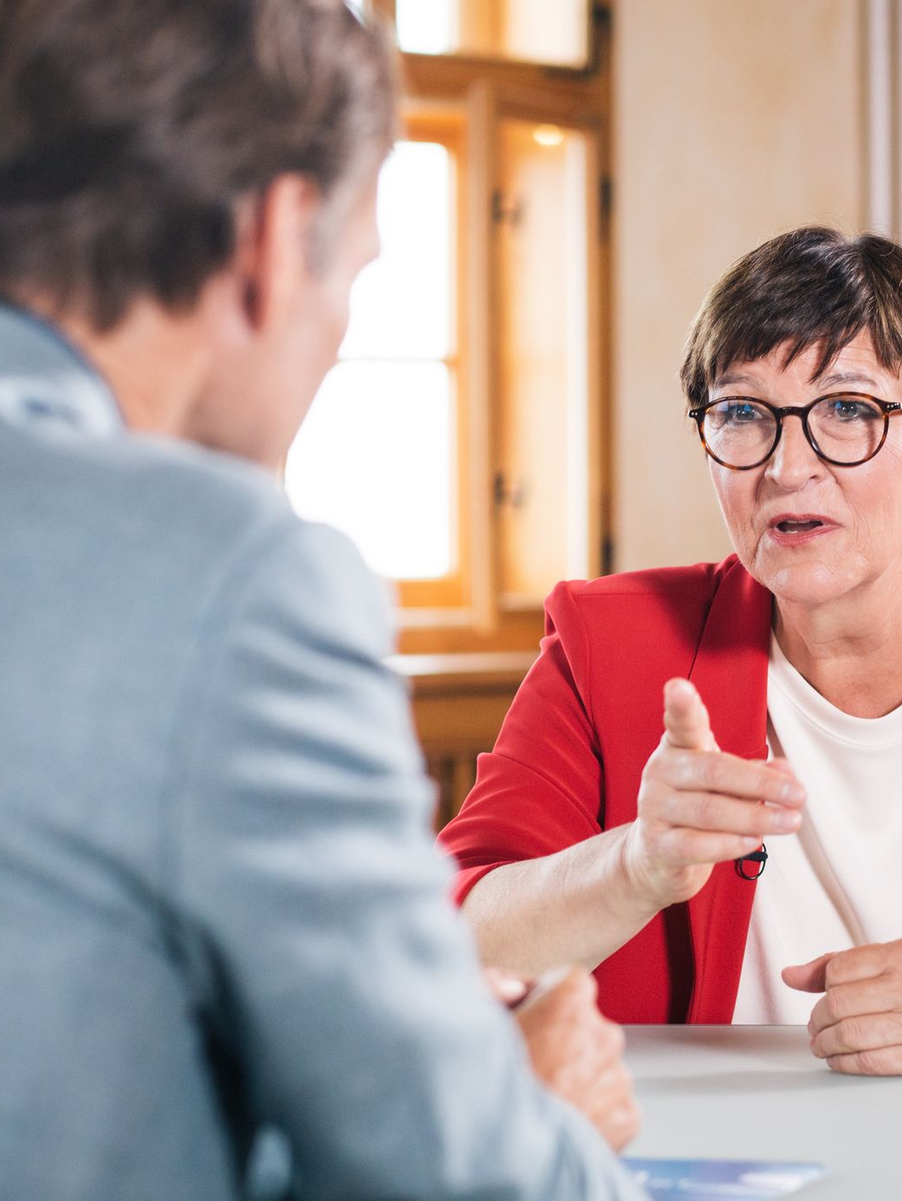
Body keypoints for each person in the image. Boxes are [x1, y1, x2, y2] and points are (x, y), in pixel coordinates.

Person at [0, 1, 644, 1197]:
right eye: (356, 276)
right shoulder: (229, 575)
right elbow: (457, 1173)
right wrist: (540, 1115)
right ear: (275, 237)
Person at [439, 225, 902, 1075]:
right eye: (741, 414)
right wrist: (635, 863)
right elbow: (453, 934)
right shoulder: (607, 640)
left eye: (848, 410)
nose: (786, 465)